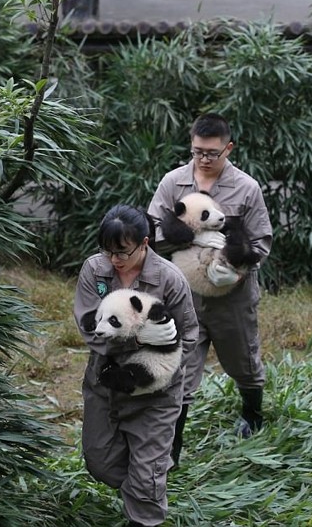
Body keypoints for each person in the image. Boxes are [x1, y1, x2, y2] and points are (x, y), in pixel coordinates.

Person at [148, 112, 273, 463]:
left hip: (232, 296)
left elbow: (261, 241)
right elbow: (152, 233)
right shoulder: (173, 184)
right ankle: (171, 448)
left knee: (243, 361)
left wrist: (238, 269)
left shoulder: (246, 188)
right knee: (179, 370)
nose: (203, 159)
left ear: (228, 148)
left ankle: (252, 413)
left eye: (212, 153)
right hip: (184, 298)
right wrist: (188, 235)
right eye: (197, 151)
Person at [73, 205, 198, 527]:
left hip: (155, 394)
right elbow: (89, 327)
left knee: (146, 478)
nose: (114, 259)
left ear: (144, 243)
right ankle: (148, 480)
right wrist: (137, 343)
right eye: (107, 250)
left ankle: (146, 501)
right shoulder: (94, 270)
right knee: (99, 462)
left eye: (122, 252)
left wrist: (159, 356)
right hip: (104, 383)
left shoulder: (169, 278)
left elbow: (190, 335)